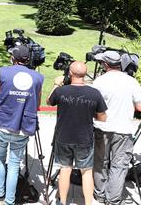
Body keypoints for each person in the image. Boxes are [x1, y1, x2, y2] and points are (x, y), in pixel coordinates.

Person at [0, 45, 44, 205]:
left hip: (1, 123)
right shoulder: (38, 77)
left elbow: (1, 93)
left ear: (14, 58)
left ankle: (0, 194)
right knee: (14, 165)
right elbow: (37, 103)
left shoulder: (1, 71)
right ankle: (9, 201)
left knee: (0, 159)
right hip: (22, 127)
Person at [47, 61, 107, 205]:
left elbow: (49, 102)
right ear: (85, 75)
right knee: (86, 172)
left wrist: (56, 84)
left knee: (65, 170)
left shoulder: (61, 91)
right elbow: (102, 117)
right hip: (84, 138)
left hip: (63, 136)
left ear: (70, 73)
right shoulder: (94, 93)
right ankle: (88, 202)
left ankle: (62, 201)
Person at [92, 51, 141, 205]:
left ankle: (100, 194)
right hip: (123, 129)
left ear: (105, 64)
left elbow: (93, 106)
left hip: (101, 127)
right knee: (119, 166)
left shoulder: (99, 81)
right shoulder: (131, 81)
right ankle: (113, 199)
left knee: (100, 162)